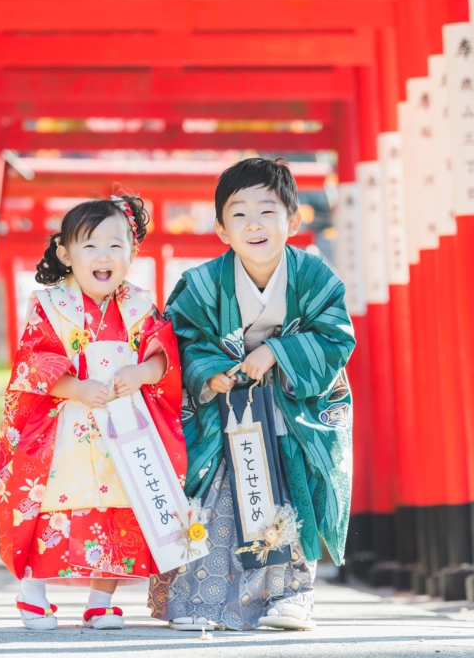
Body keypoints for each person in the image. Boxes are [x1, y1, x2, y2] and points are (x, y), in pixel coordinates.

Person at [149, 157, 355, 632]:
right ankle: (199, 601)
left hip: (290, 411)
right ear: (222, 229)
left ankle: (291, 596)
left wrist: (277, 353)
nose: (253, 224)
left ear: (293, 220)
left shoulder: (315, 277)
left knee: (291, 493)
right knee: (218, 501)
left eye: (267, 211)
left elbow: (335, 338)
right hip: (226, 415)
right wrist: (210, 374)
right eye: (239, 214)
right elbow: (178, 340)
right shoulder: (202, 284)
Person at [0, 195, 185, 631]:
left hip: (122, 427)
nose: (104, 256)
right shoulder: (49, 304)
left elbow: (164, 356)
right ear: (66, 254)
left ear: (132, 253)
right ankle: (33, 591)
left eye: (116, 245)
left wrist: (142, 371)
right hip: (64, 426)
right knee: (48, 504)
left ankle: (101, 599)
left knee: (118, 508)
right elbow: (33, 363)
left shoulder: (138, 305)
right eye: (90, 245)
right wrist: (76, 387)